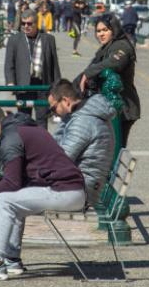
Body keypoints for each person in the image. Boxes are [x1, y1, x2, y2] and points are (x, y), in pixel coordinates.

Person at [0, 105, 86, 281]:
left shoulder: (11, 138)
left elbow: (11, 182)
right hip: (71, 190)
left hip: (66, 192)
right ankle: (11, 259)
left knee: (5, 200)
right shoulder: (26, 126)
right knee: (14, 199)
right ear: (4, 114)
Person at [47, 79, 116, 207]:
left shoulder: (83, 122)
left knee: (13, 199)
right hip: (82, 183)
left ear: (66, 101)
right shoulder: (83, 115)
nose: (53, 113)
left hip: (81, 190)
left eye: (54, 108)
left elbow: (62, 160)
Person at [78, 14, 140, 147]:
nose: (101, 34)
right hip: (107, 106)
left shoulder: (122, 45)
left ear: (114, 29)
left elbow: (113, 63)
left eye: (105, 30)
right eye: (98, 31)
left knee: (116, 148)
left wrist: (88, 73)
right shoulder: (105, 48)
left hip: (123, 107)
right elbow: (91, 68)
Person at [4, 9, 61, 128]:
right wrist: (10, 82)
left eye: (29, 24)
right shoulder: (14, 40)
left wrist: (58, 88)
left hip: (42, 86)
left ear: (36, 23)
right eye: (23, 23)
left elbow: (54, 66)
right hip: (23, 85)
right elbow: (9, 64)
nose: (26, 26)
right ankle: (25, 145)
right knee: (23, 120)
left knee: (42, 120)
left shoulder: (48, 40)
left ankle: (41, 145)